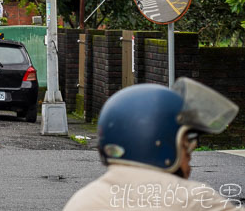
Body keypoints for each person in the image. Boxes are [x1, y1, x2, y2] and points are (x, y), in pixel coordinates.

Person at [63, 77, 239, 210]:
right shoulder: (194, 199)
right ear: (162, 145)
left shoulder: (82, 200)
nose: (189, 162)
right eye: (187, 147)